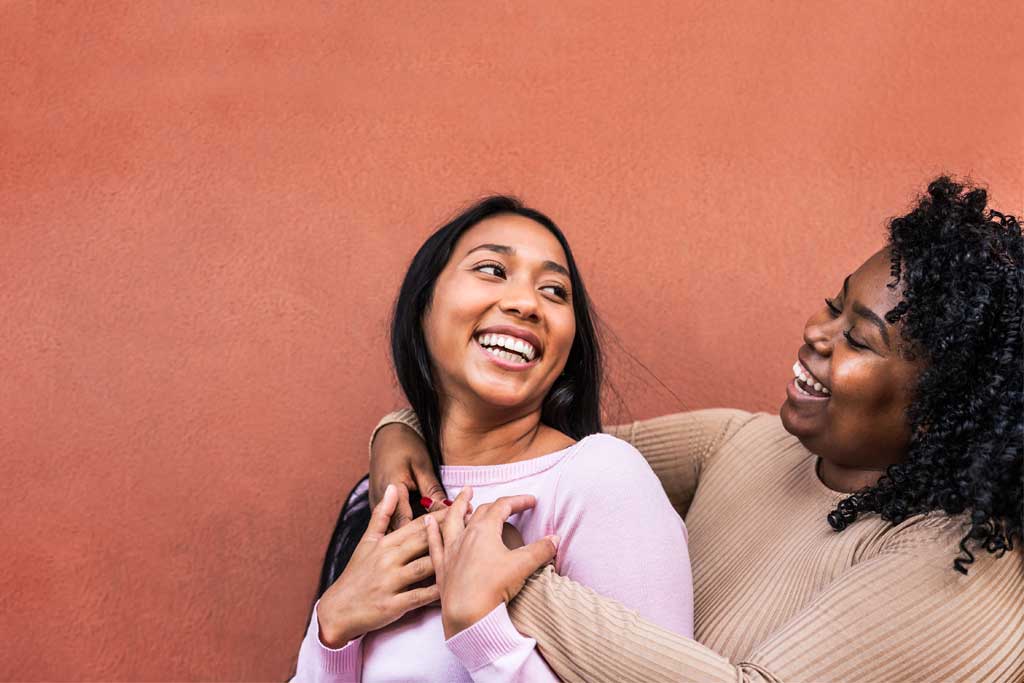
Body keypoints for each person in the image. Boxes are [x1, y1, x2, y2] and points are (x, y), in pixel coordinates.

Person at [369, 177, 1024, 682]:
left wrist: (517, 592)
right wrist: (401, 431)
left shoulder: (963, 569)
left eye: (857, 336)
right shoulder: (747, 444)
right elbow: (528, 450)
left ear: (940, 407)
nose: (816, 333)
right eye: (833, 303)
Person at [293, 196, 694, 681]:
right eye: (491, 269)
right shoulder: (378, 494)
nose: (526, 303)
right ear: (423, 306)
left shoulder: (600, 478)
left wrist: (484, 632)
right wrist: (332, 631)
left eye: (553, 290)